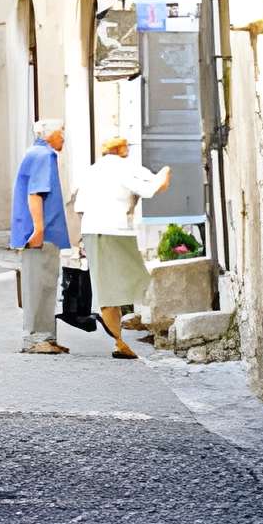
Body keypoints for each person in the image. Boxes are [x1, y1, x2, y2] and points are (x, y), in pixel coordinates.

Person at [74, 137, 170, 359]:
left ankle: (118, 339)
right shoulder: (124, 167)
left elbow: (80, 207)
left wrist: (82, 237)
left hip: (93, 230)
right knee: (130, 280)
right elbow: (150, 189)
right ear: (122, 149)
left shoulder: (92, 170)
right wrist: (164, 174)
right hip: (115, 231)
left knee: (111, 284)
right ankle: (117, 340)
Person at [10, 118, 69, 355]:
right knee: (38, 285)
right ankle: (36, 338)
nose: (63, 137)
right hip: (41, 233)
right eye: (61, 132)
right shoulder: (44, 156)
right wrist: (39, 229)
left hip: (44, 231)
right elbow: (35, 193)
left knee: (45, 285)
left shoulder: (37, 153)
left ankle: (46, 336)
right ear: (49, 135)